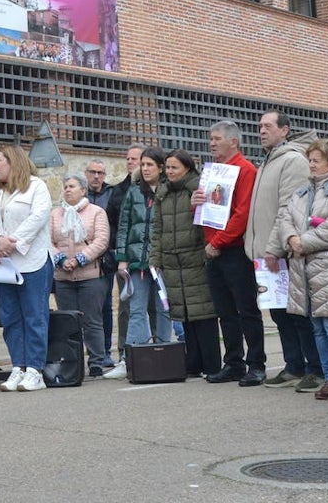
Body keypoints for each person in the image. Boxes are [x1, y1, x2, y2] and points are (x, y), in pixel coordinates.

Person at [267, 139, 328, 403]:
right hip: (304, 268)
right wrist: (291, 240)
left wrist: (301, 243)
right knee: (317, 327)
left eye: (316, 160)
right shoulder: (302, 191)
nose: (311, 164)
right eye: (310, 159)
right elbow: (285, 218)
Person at [248, 111, 323, 392]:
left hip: (282, 253)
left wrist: (274, 247)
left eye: (267, 126)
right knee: (280, 313)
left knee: (298, 313)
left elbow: (288, 208)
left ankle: (316, 369)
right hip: (266, 255)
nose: (262, 131)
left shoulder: (292, 160)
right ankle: (294, 366)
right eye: (260, 127)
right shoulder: (267, 161)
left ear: (284, 130)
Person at [193, 121, 264, 386]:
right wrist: (196, 206)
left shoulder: (245, 170)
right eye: (210, 139)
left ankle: (256, 364)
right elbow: (208, 211)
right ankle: (234, 362)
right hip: (214, 250)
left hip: (233, 250)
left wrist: (219, 242)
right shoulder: (213, 172)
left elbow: (242, 213)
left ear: (233, 142)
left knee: (246, 310)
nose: (212, 143)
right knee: (225, 312)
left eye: (217, 139)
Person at [0, 145, 53, 392]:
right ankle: (17, 368)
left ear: (14, 162)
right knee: (10, 317)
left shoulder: (36, 187)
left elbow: (38, 217)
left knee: (34, 316)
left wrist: (12, 243)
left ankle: (35, 370)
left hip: (32, 261)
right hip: (4, 263)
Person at [151, 150, 220, 378]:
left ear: (187, 169)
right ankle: (193, 363)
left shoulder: (198, 189)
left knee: (203, 313)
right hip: (172, 262)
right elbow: (157, 230)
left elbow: (208, 222)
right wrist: (156, 258)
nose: (169, 172)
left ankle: (211, 364)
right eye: (167, 167)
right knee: (185, 315)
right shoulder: (163, 193)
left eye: (174, 168)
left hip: (195, 258)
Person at [106, 147, 172, 380]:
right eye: (142, 165)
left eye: (149, 165)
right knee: (136, 310)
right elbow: (123, 227)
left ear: (160, 167)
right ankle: (130, 359)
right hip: (136, 264)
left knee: (164, 309)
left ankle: (165, 354)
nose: (144, 169)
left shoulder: (168, 191)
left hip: (162, 262)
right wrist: (122, 258)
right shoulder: (133, 193)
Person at [49, 174, 110, 377]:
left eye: (72, 186)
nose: (67, 189)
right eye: (65, 186)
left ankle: (96, 362)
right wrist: (61, 260)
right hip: (63, 277)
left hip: (90, 275)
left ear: (83, 190)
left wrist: (79, 259)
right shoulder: (55, 214)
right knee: (68, 323)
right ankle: (72, 362)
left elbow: (101, 240)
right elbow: (47, 242)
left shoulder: (96, 212)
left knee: (92, 321)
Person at [107, 145, 145, 354]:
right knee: (126, 308)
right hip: (126, 259)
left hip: (150, 257)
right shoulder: (119, 191)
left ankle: (158, 348)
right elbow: (113, 224)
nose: (130, 162)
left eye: (135, 159)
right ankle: (125, 352)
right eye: (128, 158)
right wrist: (120, 250)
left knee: (153, 307)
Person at [83, 159, 118, 367]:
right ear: (86, 174)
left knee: (105, 307)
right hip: (81, 259)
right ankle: (87, 352)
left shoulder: (111, 194)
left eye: (101, 173)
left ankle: (104, 352)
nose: (96, 176)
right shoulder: (79, 192)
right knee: (86, 310)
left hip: (105, 259)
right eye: (93, 172)